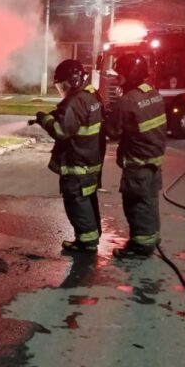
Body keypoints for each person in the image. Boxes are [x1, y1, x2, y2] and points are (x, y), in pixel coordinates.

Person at [33, 59, 105, 253]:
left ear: (73, 81)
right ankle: (92, 235)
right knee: (87, 198)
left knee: (76, 200)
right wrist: (58, 112)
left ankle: (86, 242)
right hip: (90, 158)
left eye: (63, 85)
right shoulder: (91, 94)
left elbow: (61, 130)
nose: (62, 89)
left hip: (77, 160)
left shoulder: (76, 100)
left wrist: (45, 119)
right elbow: (76, 118)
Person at [106, 53, 167, 259]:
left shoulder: (128, 101)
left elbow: (112, 130)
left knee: (135, 205)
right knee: (149, 201)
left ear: (131, 75)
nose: (118, 79)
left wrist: (108, 115)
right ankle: (152, 237)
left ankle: (140, 247)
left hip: (137, 163)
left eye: (120, 75)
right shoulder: (154, 94)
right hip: (154, 162)